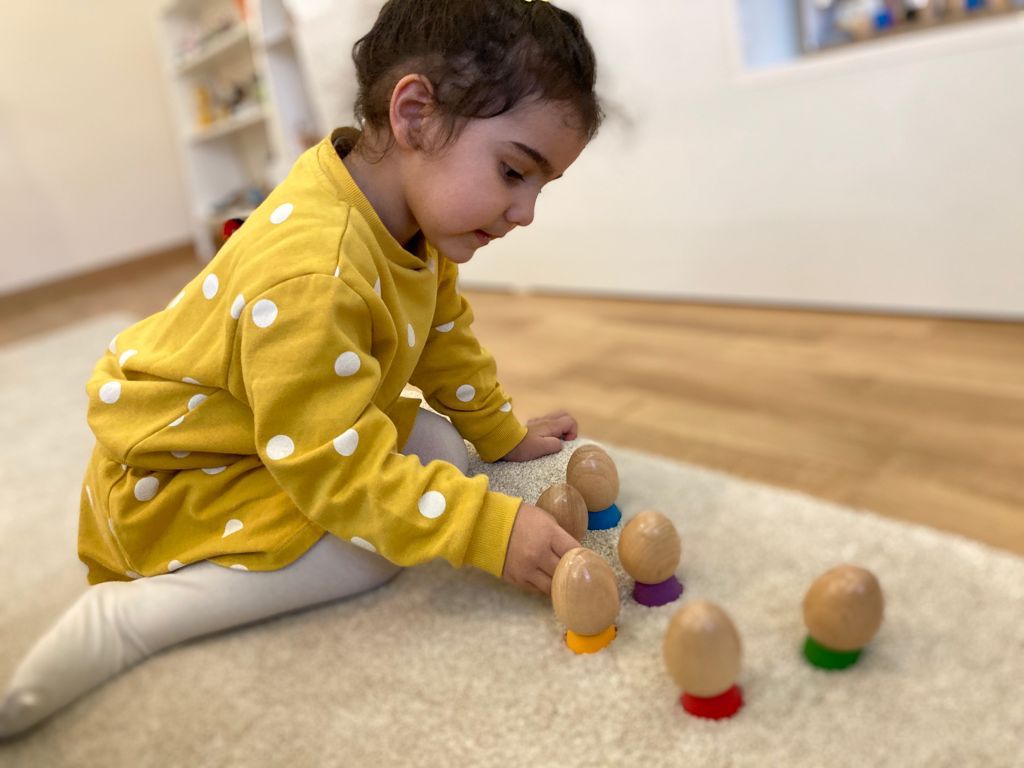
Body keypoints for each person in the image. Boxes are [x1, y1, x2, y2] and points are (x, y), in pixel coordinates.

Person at [0, 0, 602, 738]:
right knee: (373, 549)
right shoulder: (314, 273)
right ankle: (129, 618)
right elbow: (334, 471)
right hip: (182, 480)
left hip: (266, 434)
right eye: (513, 171)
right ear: (414, 115)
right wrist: (488, 530)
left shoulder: (407, 216)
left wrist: (501, 435)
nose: (526, 212)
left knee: (443, 450)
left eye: (540, 185)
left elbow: (442, 336)